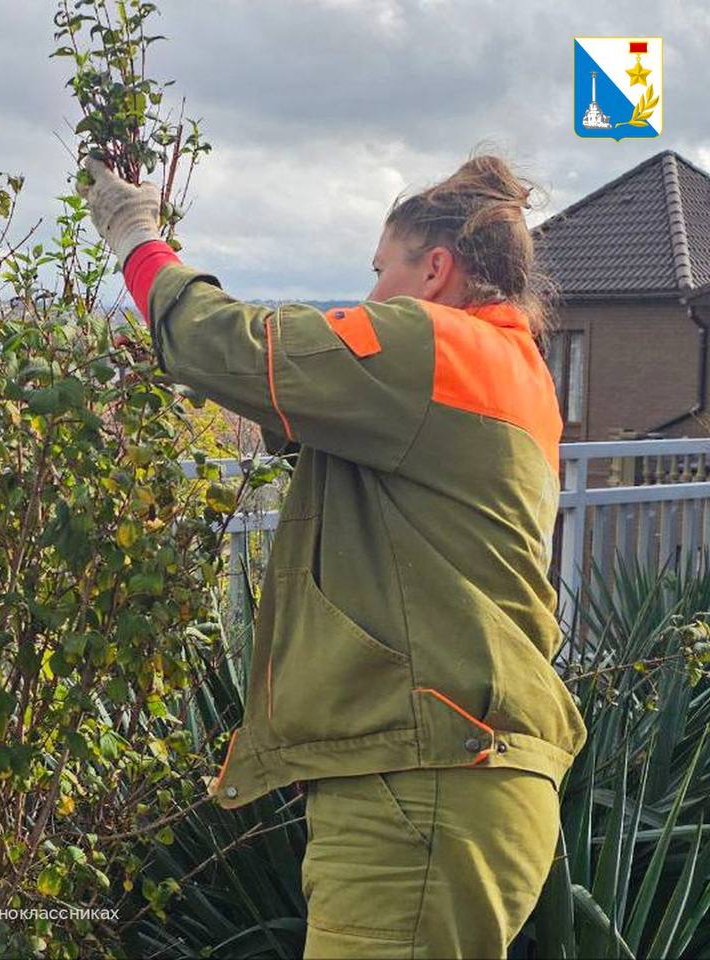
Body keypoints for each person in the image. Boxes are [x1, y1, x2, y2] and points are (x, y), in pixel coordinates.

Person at [76, 151, 588, 959]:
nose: (369, 296)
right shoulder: (512, 370)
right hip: (466, 783)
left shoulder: (428, 342)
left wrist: (138, 240)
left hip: (420, 790)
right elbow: (303, 412)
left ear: (436, 271)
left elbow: (238, 347)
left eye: (382, 271)